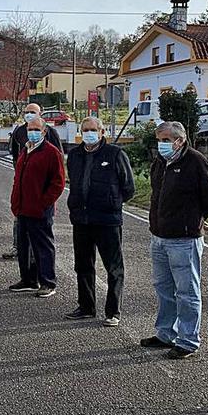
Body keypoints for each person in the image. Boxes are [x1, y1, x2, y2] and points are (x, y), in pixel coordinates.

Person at [140, 121, 208, 359]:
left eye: (166, 140)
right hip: (159, 236)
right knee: (163, 288)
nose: (162, 144)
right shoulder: (160, 163)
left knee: (186, 291)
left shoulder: (195, 162)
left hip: (184, 239)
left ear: (180, 140)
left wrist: (196, 218)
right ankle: (166, 333)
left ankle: (188, 340)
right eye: (159, 140)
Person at [64, 117, 134, 326]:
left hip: (107, 220)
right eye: (85, 130)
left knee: (113, 267)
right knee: (83, 265)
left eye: (93, 130)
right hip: (82, 220)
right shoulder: (75, 155)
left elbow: (128, 187)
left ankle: (113, 312)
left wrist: (112, 203)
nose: (89, 133)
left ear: (102, 132)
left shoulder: (115, 154)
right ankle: (86, 306)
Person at [9, 116, 66, 298]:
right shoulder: (25, 150)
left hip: (40, 209)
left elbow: (58, 183)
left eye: (35, 129)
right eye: (29, 129)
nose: (31, 132)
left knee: (43, 246)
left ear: (44, 131)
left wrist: (43, 202)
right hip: (22, 208)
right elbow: (18, 178)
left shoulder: (51, 152)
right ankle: (28, 280)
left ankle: (48, 282)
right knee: (24, 246)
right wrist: (15, 202)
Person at [4, 103, 63, 259]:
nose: (29, 115)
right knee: (19, 221)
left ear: (40, 113)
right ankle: (18, 248)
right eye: (27, 112)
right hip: (24, 186)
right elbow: (16, 155)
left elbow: (58, 161)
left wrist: (47, 198)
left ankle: (42, 269)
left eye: (33, 112)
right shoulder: (19, 132)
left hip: (41, 189)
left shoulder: (51, 133)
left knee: (41, 227)